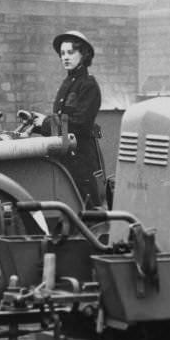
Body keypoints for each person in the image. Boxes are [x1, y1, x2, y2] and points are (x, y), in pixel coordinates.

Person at [26, 30, 104, 207]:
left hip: (82, 162)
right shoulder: (67, 83)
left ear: (83, 54)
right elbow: (62, 124)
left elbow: (79, 125)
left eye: (71, 52)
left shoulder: (88, 85)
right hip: (66, 159)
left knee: (87, 209)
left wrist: (45, 123)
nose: (65, 57)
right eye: (62, 54)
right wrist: (38, 124)